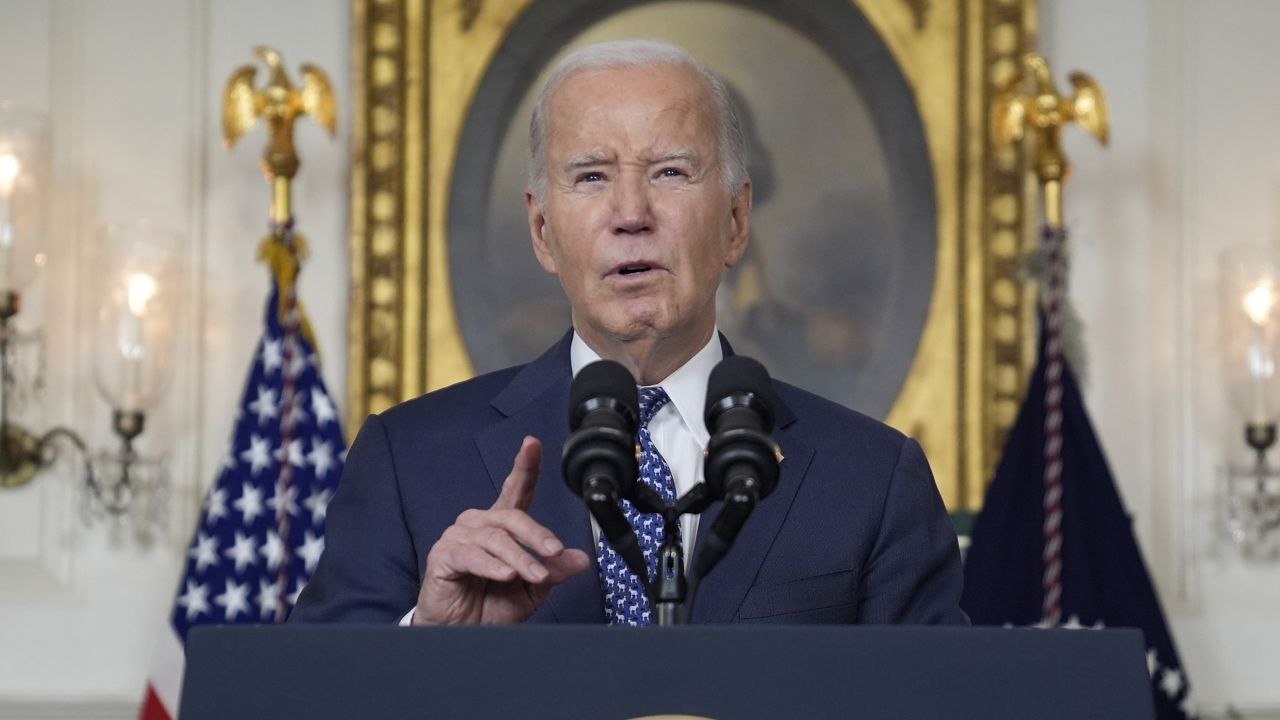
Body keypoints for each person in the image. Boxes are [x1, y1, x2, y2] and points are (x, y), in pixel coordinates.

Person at [291, 39, 966, 626]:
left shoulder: (873, 478)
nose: (631, 213)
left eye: (671, 172)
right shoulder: (407, 461)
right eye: (591, 176)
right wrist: (424, 642)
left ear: (735, 220)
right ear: (542, 232)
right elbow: (304, 701)